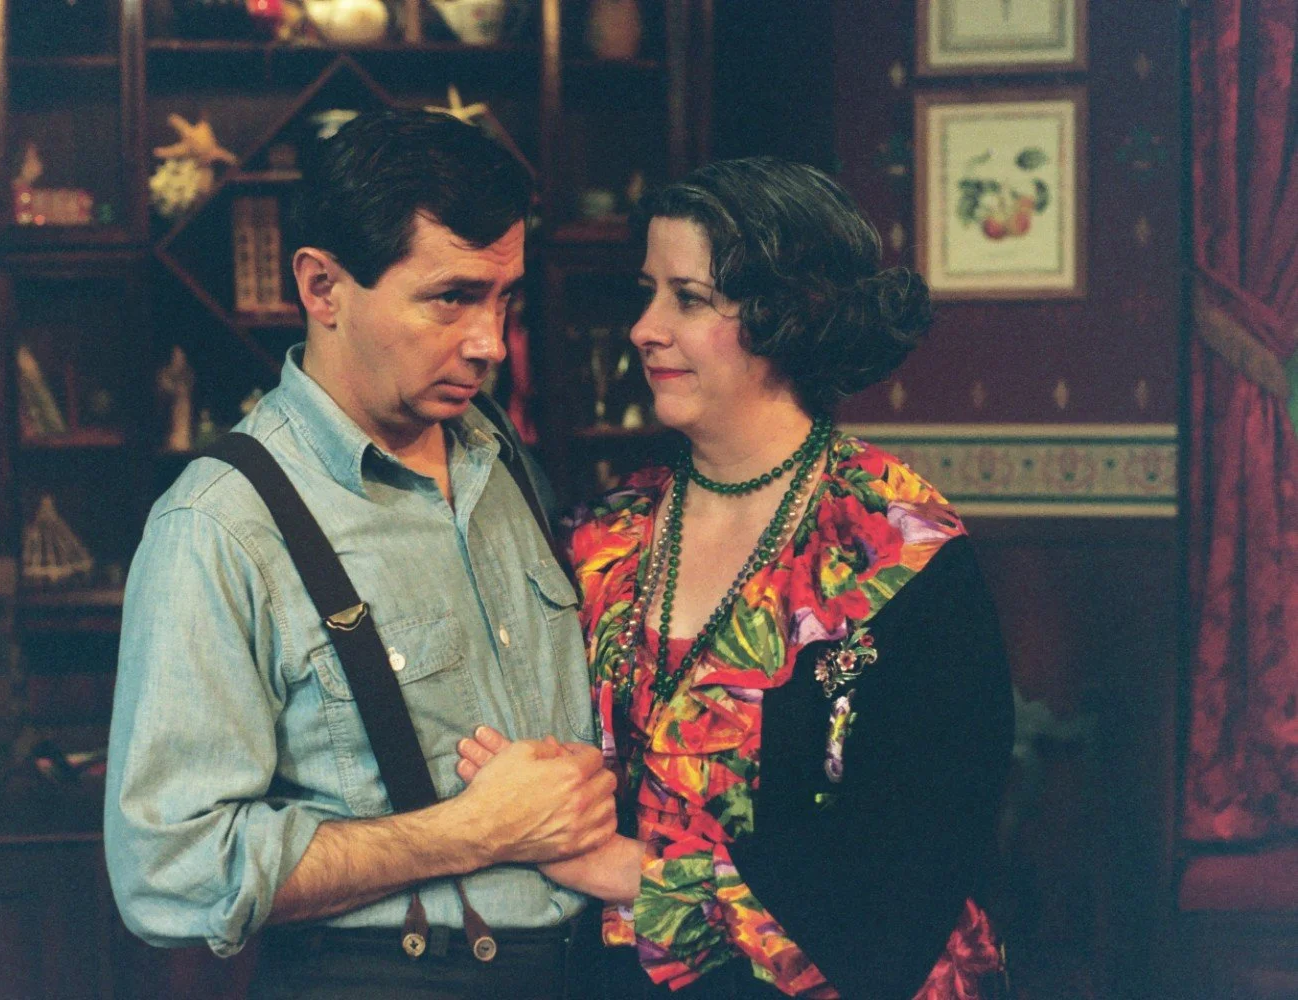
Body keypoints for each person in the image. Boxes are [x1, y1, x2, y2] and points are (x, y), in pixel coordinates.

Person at [455, 158, 1015, 998]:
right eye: (647, 293)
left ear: (787, 315)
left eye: (688, 297)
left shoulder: (900, 545)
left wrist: (628, 872)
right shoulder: (604, 535)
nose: (644, 327)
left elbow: (911, 856)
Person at [104, 109, 617, 1000]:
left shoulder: (504, 459)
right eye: (451, 297)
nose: (490, 342)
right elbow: (167, 871)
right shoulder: (219, 525)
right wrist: (469, 833)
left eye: (505, 300)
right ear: (322, 286)